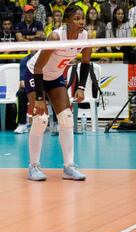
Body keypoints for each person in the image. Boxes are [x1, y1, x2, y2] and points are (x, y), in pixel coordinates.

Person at [24, 4, 91, 181]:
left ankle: (69, 167)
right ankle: (33, 166)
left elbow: (85, 63)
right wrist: (39, 98)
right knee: (41, 119)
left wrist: (81, 87)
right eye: (76, 19)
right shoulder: (55, 36)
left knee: (67, 118)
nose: (81, 22)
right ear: (67, 20)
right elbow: (38, 67)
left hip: (54, 77)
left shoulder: (85, 37)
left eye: (82, 18)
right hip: (35, 73)